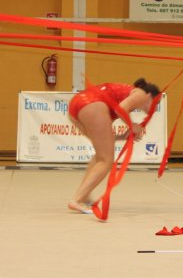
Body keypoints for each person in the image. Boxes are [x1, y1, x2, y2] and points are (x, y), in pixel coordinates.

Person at [67, 78, 160, 214]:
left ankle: (84, 196)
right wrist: (132, 125)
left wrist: (123, 136)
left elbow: (107, 137)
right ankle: (77, 200)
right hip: (92, 104)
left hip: (77, 105)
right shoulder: (141, 94)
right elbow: (121, 109)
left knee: (100, 157)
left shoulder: (127, 95)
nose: (154, 109)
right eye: (156, 103)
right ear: (150, 96)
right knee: (106, 161)